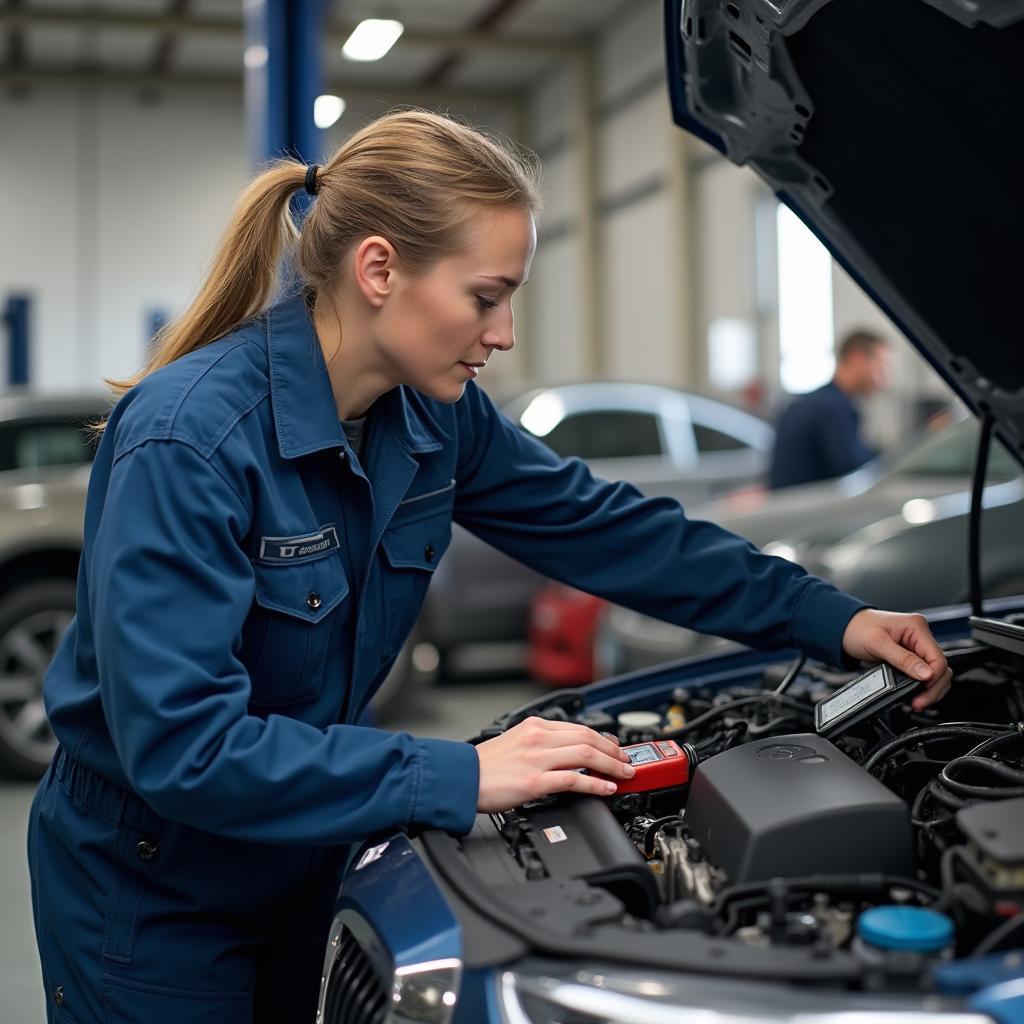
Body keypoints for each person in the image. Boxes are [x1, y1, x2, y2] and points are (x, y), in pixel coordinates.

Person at [27, 110, 951, 1024]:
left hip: (306, 850)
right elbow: (186, 748)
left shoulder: (432, 416)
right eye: (485, 296)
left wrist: (826, 616)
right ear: (379, 269)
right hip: (153, 889)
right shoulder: (189, 441)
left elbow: (606, 528)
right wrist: (460, 775)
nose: (504, 332)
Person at [768, 329, 891, 489]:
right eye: (881, 368)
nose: (885, 380)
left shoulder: (815, 401)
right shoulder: (832, 409)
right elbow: (854, 470)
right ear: (858, 359)